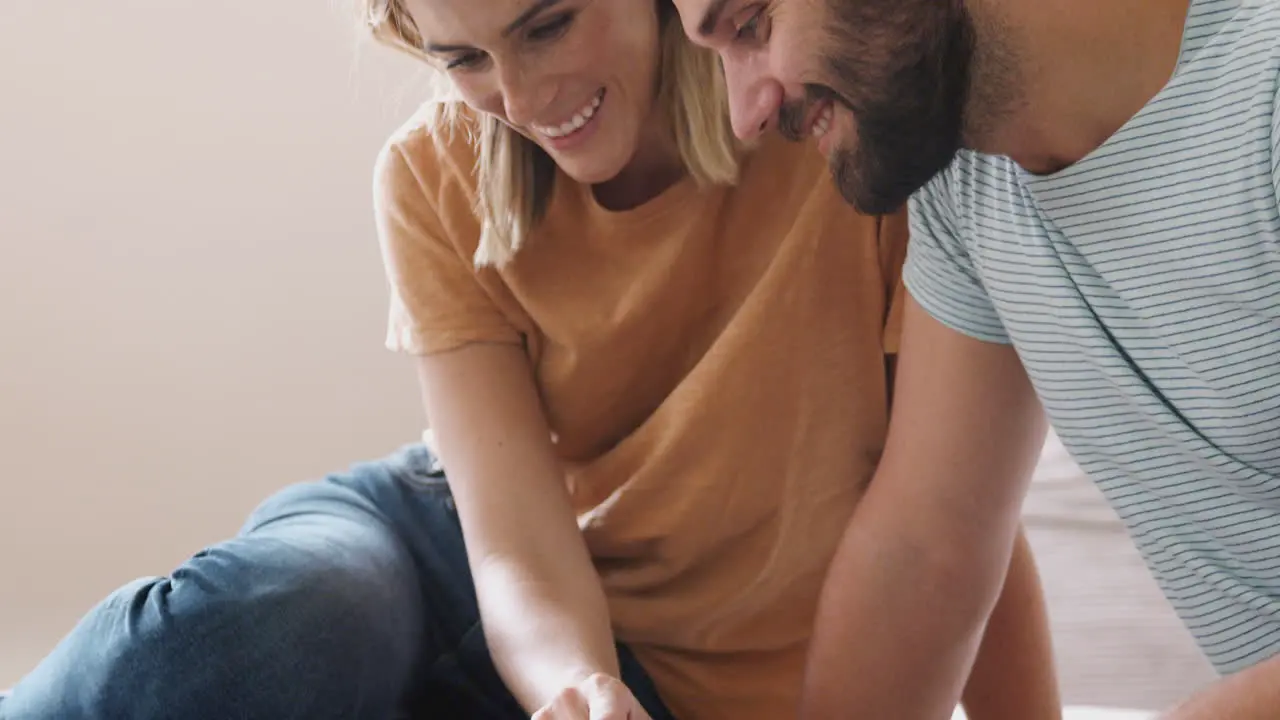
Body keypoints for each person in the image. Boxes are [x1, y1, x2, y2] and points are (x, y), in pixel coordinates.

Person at [0, 1, 1064, 720]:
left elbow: (950, 520)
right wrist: (576, 684)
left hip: (648, 682)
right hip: (466, 557)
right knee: (284, 618)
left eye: (545, 23)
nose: (515, 95)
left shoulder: (830, 126)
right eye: (460, 57)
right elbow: (508, 543)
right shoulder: (431, 173)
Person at [673, 0, 1280, 717]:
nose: (745, 112)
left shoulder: (1259, 83)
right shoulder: (966, 186)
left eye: (751, 27)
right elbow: (926, 547)